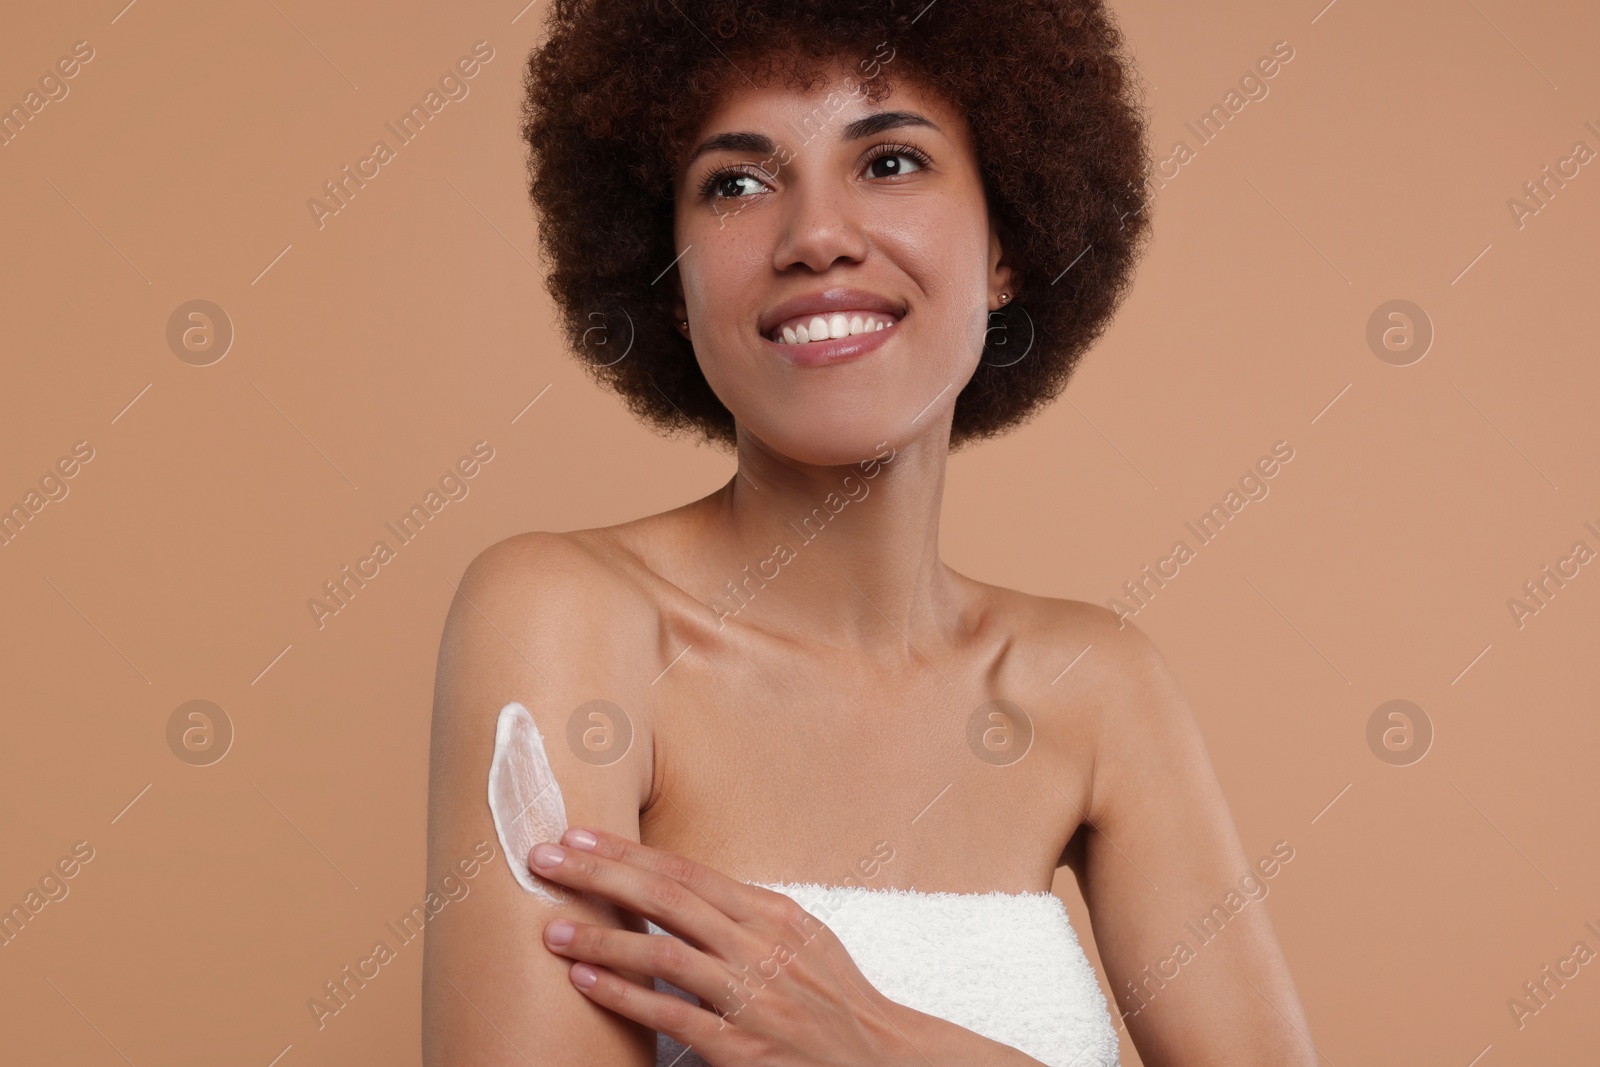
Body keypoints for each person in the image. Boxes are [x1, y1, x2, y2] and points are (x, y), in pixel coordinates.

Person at [423, 1, 1317, 1064]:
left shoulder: (1093, 687)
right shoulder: (569, 618)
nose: (816, 238)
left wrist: (889, 1047)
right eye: (737, 184)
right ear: (668, 281)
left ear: (1006, 249)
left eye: (889, 161)